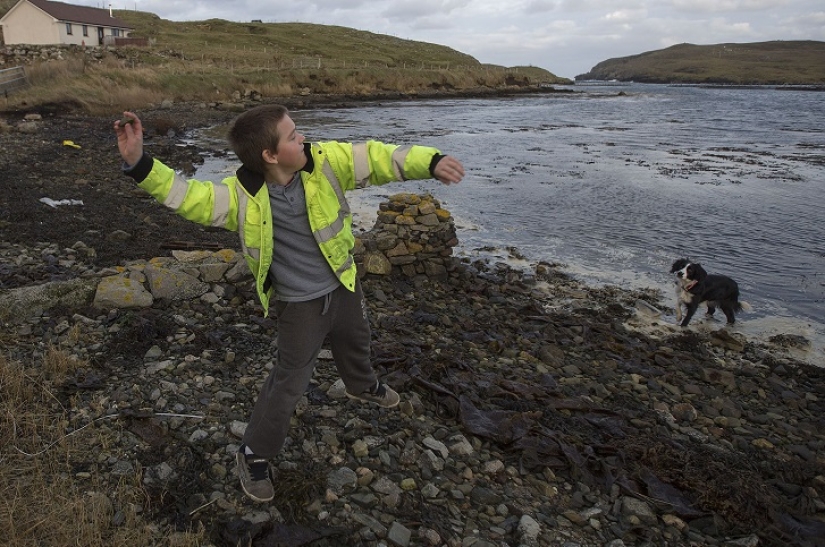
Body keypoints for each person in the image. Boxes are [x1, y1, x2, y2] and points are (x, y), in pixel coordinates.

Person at [114, 104, 465, 503]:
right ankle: (253, 453)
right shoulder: (240, 198)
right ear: (270, 155)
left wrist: (431, 161)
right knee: (289, 383)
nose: (304, 139)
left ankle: (361, 385)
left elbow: (379, 157)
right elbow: (187, 195)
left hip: (344, 281)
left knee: (356, 338)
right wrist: (140, 163)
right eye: (293, 135)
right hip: (299, 306)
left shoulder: (325, 162)